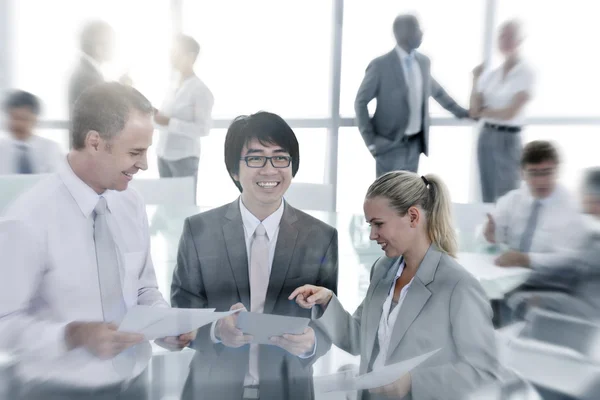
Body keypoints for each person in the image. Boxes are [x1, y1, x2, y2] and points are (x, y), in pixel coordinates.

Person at [0, 83, 193, 400]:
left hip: (135, 386)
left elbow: (144, 289)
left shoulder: (130, 204)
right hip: (56, 391)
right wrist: (71, 335)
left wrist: (164, 328)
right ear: (94, 143)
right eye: (135, 152)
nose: (144, 164)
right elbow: (4, 324)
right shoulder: (28, 218)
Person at [171, 111, 338, 400]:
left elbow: (329, 321)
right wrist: (215, 331)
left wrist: (312, 343)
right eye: (256, 158)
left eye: (280, 157)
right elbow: (181, 311)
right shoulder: (199, 231)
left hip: (288, 390)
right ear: (235, 170)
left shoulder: (321, 237)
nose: (270, 169)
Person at [290, 171, 500, 400]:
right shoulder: (383, 270)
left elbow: (483, 370)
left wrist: (412, 382)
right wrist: (327, 301)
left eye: (378, 224)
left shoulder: (458, 285)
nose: (372, 235)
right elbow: (359, 338)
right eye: (370, 225)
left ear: (412, 217)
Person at [355, 14, 470, 177]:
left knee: (409, 198)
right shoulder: (380, 65)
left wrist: (464, 113)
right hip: (389, 147)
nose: (421, 33)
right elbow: (360, 102)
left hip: (415, 147)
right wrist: (371, 142)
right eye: (417, 28)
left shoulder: (423, 62)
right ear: (401, 32)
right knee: (388, 199)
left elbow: (438, 93)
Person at [505, 167, 600, 321]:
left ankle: (515, 341)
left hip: (590, 310)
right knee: (521, 291)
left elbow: (574, 267)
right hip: (581, 294)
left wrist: (529, 274)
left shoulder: (593, 236)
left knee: (519, 300)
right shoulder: (592, 233)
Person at [482, 140, 582, 270]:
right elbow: (493, 237)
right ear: (522, 173)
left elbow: (570, 259)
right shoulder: (511, 200)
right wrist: (489, 235)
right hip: (509, 273)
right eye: (533, 173)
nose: (540, 181)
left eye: (547, 172)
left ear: (557, 171)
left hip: (551, 279)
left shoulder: (572, 207)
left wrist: (526, 259)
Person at [470, 20, 535, 203]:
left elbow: (510, 113)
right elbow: (474, 110)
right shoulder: (491, 75)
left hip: (509, 139)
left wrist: (485, 111)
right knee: (487, 196)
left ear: (520, 39)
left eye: (510, 36)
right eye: (502, 36)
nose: (505, 40)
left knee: (509, 196)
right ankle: (490, 231)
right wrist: (475, 79)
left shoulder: (526, 72)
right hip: (487, 136)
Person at [155, 34, 213, 195]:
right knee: (166, 206)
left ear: (191, 57)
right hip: (163, 155)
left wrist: (169, 122)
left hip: (184, 158)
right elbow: (163, 118)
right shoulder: (172, 85)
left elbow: (203, 129)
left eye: (176, 53)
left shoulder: (201, 90)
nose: (171, 57)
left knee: (183, 207)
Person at [0, 90, 62, 174]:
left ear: (35, 119)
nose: (18, 124)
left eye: (23, 118)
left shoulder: (50, 149)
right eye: (14, 118)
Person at [68, 21, 115, 118]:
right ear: (98, 46)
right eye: (111, 42)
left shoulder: (86, 71)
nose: (114, 47)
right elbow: (103, 114)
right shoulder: (88, 76)